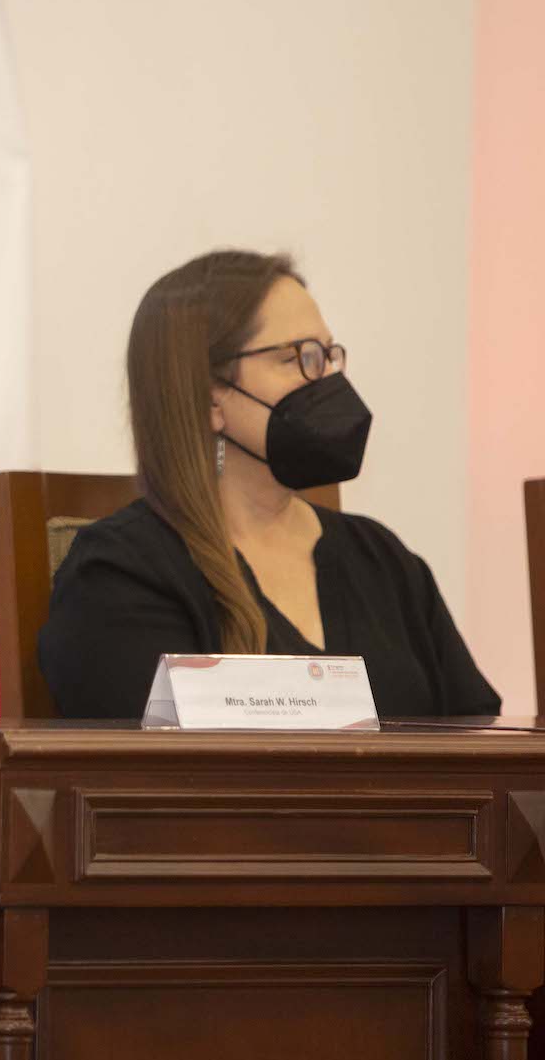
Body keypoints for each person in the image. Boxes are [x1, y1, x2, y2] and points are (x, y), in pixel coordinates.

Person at [39, 249, 498, 719]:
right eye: (298, 358)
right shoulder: (120, 575)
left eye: (327, 356)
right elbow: (150, 777)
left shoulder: (383, 561)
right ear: (209, 397)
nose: (328, 383)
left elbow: (482, 743)